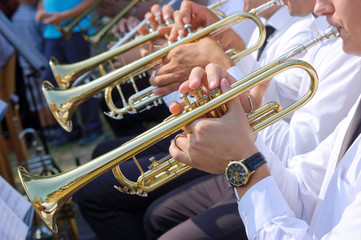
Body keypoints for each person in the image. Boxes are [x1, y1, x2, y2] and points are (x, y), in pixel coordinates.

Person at [143, 0, 361, 239]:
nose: (319, 7)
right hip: (272, 194)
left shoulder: (337, 48)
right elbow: (306, 191)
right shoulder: (323, 34)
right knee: (157, 216)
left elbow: (293, 151)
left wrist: (244, 163)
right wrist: (236, 110)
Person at [35, 0, 105, 147]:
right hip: (52, 33)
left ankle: (93, 128)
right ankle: (70, 130)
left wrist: (64, 16)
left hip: (75, 30)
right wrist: (40, 10)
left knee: (81, 80)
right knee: (50, 82)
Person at [11, 0, 58, 142]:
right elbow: (45, 37)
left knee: (37, 102)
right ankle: (55, 130)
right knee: (47, 99)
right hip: (40, 60)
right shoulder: (34, 16)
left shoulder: (14, 17)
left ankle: (47, 131)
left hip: (25, 63)